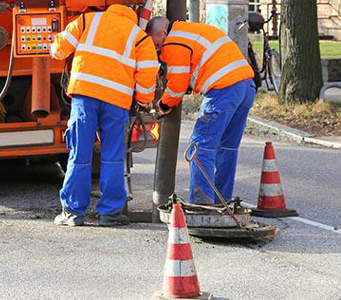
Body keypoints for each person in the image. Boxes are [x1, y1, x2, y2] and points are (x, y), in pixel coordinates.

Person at [50, 5, 159, 226]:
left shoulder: (86, 20)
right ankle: (110, 214)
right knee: (113, 156)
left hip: (85, 96)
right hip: (116, 101)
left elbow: (59, 50)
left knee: (79, 153)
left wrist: (55, 45)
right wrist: (144, 101)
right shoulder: (139, 36)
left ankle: (72, 213)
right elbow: (148, 74)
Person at [145, 17, 256, 205]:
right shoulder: (193, 29)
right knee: (227, 147)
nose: (157, 48)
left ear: (162, 33)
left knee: (200, 147)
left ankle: (201, 202)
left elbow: (177, 85)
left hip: (223, 89)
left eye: (156, 43)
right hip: (246, 86)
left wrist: (162, 106)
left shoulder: (174, 41)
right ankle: (222, 200)